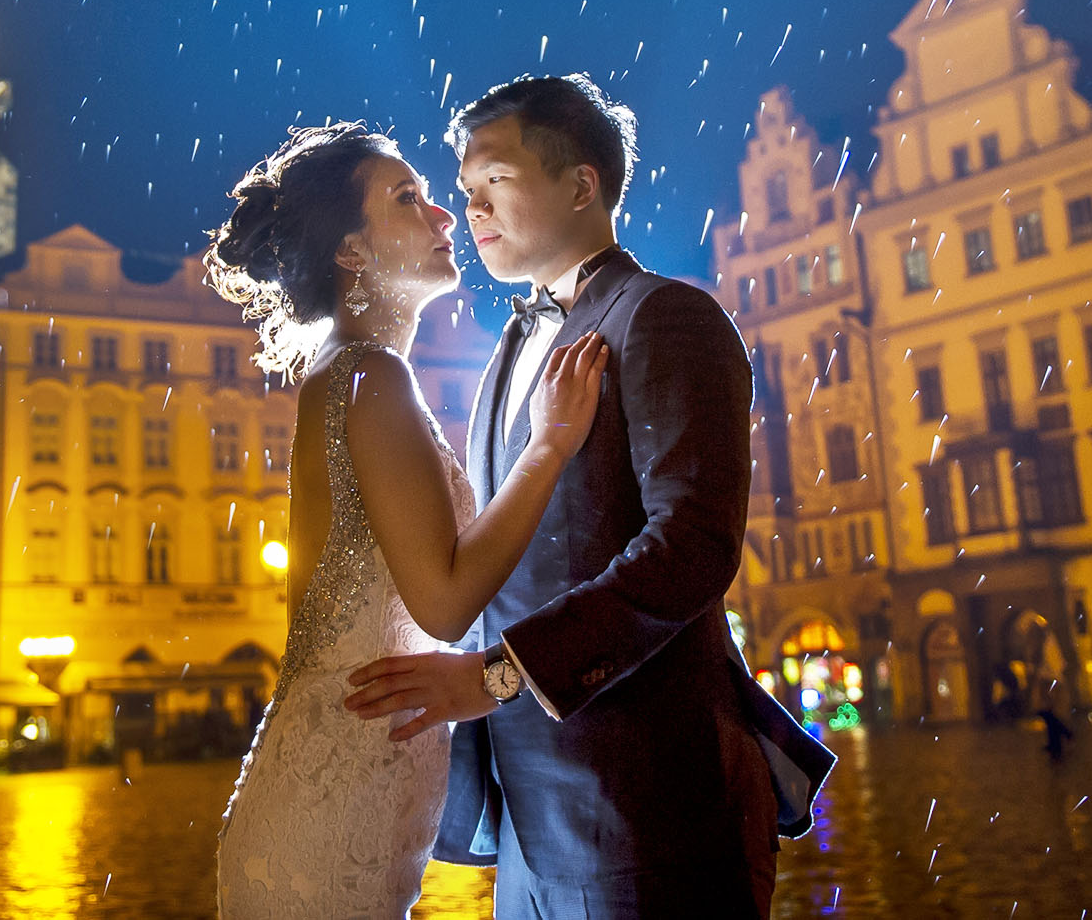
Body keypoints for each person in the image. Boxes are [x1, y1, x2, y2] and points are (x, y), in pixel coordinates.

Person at [346, 76, 836, 916]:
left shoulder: (667, 317)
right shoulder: (506, 350)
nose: (472, 208)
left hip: (650, 800)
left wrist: (497, 675)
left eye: (494, 181)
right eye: (465, 191)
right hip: (529, 825)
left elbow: (692, 549)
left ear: (583, 183)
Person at [211, 120, 605, 918]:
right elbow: (444, 600)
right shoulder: (372, 375)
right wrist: (552, 444)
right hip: (332, 818)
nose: (445, 214)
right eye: (407, 198)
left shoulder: (353, 374)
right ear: (350, 251)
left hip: (329, 797)